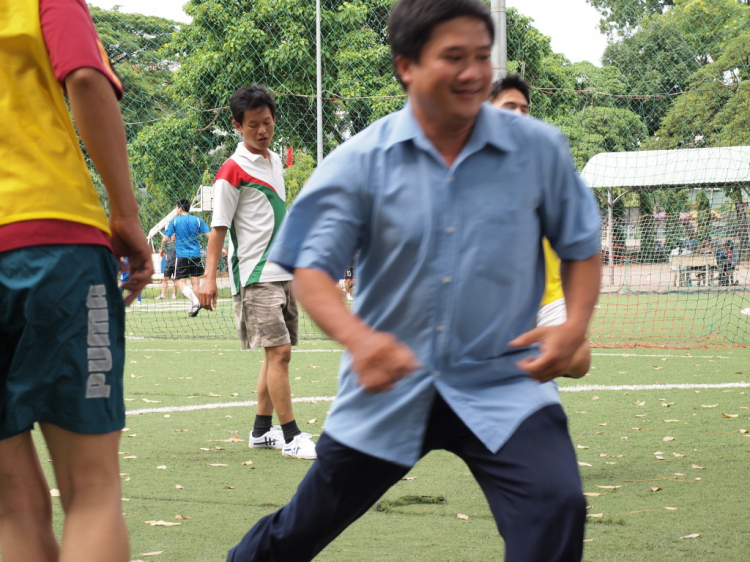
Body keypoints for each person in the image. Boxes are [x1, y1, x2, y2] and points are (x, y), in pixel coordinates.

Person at [225, 1, 601, 561]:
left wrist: (574, 326)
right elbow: (310, 269)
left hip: (505, 378)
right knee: (300, 530)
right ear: (406, 65)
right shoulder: (360, 162)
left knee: (557, 506)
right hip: (391, 384)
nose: (473, 72)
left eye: (481, 57)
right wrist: (360, 341)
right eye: (453, 57)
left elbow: (581, 246)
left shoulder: (538, 150)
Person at [0, 1, 153, 561]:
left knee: (10, 506)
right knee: (92, 491)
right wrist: (126, 215)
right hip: (50, 241)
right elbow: (86, 78)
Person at [199, 86, 316, 460]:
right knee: (279, 352)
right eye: (253, 126)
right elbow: (218, 228)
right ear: (237, 126)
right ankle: (293, 436)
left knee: (276, 356)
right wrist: (207, 277)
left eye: (266, 123)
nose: (262, 131)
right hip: (254, 274)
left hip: (283, 271)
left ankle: (261, 432)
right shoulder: (230, 172)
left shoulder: (275, 161)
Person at [490, 74, 590, 378]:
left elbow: (582, 242)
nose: (519, 113)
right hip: (493, 297)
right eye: (509, 106)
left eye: (525, 108)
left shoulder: (548, 164)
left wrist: (573, 328)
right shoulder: (469, 168)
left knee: (579, 359)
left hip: (548, 295)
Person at [164, 198, 210, 317]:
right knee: (195, 282)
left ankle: (195, 302)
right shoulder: (198, 220)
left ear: (179, 208)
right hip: (196, 255)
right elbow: (210, 235)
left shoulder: (175, 221)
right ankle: (195, 307)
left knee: (179, 282)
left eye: (176, 207)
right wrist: (221, 248)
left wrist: (162, 246)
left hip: (182, 256)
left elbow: (165, 238)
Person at [156, 233, 178, 299]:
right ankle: (163, 295)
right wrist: (162, 253)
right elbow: (160, 250)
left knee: (175, 280)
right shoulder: (167, 244)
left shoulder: (178, 244)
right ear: (170, 236)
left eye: (174, 235)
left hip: (176, 264)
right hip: (168, 264)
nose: (173, 236)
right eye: (172, 235)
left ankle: (174, 295)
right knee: (164, 279)